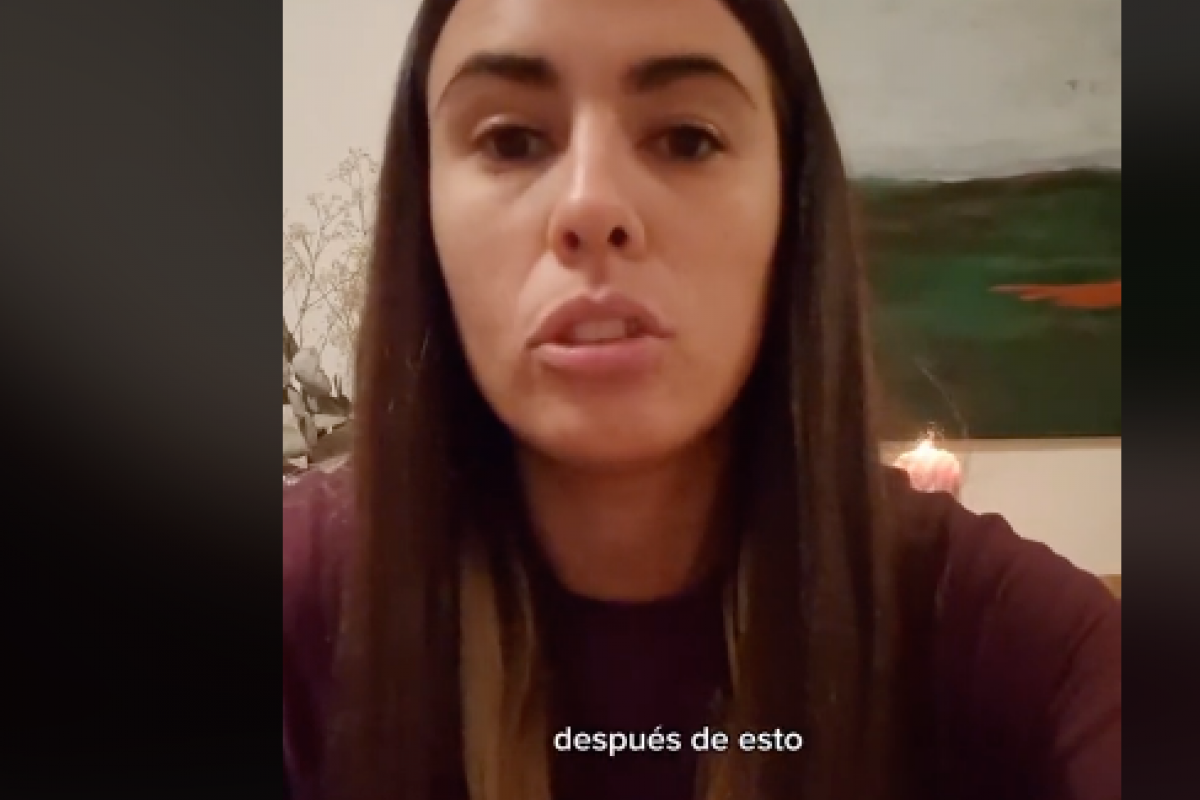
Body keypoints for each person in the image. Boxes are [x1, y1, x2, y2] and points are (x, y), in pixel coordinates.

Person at [282, 0, 1121, 798]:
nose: (590, 205)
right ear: (424, 204)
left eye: (687, 139)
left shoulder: (998, 635)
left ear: (791, 203)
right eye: (511, 140)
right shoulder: (299, 600)